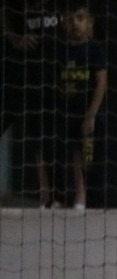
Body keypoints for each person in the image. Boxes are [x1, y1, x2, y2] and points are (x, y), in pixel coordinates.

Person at [35, 1, 105, 210]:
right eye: (70, 18)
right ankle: (50, 197)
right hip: (63, 112)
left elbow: (102, 82)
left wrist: (91, 115)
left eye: (80, 18)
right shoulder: (60, 50)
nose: (74, 23)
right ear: (63, 23)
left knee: (84, 156)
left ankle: (82, 198)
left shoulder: (94, 50)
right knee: (54, 152)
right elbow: (55, 79)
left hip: (85, 114)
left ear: (90, 22)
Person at [1, 1, 60, 201]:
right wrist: (13, 37)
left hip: (51, 77)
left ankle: (50, 197)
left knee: (47, 138)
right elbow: (5, 10)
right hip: (18, 72)